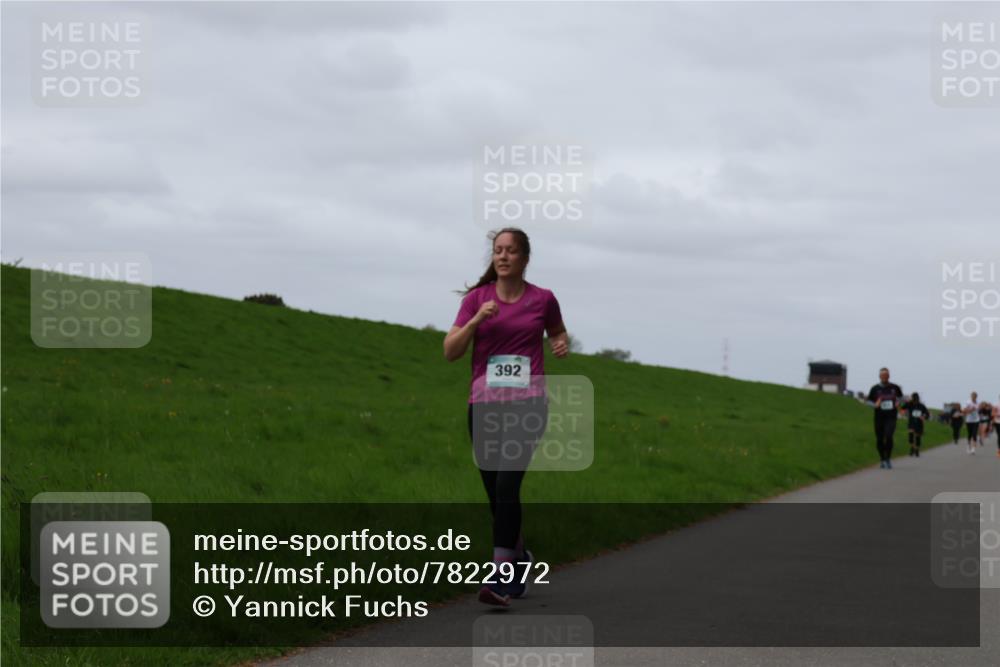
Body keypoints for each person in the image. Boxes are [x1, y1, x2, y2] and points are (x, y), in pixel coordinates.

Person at [444, 227, 568, 606]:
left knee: (506, 487)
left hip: (527, 404)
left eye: (511, 251)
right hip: (483, 405)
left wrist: (561, 343)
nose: (503, 256)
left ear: (525, 258)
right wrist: (476, 320)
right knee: (495, 495)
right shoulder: (476, 300)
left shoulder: (543, 299)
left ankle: (500, 579)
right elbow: (451, 351)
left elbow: (558, 334)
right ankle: (520, 559)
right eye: (498, 250)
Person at [867, 368, 903, 469]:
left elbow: (901, 398)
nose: (884, 377)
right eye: (882, 375)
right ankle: (882, 459)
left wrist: (898, 403)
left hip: (891, 416)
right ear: (880, 377)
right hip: (879, 417)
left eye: (886, 375)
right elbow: (868, 401)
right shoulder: (874, 388)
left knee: (889, 435)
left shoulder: (895, 387)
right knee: (879, 439)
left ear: (889, 376)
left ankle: (888, 459)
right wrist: (875, 404)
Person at [902, 392, 928, 457]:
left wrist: (924, 417)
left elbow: (927, 413)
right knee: (911, 437)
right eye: (914, 398)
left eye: (916, 398)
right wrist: (906, 402)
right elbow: (903, 407)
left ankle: (917, 450)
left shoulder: (921, 406)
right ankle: (912, 448)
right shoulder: (909, 404)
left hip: (919, 423)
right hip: (911, 422)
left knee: (917, 437)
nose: (915, 400)